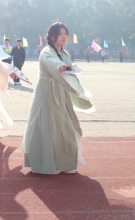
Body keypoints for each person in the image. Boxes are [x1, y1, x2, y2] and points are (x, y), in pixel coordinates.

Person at [23, 22, 94, 174]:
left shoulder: (65, 53)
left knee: (65, 125)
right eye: (60, 34)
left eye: (65, 33)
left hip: (61, 91)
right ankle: (47, 163)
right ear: (52, 37)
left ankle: (65, 162)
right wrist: (60, 66)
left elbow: (69, 72)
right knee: (47, 125)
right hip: (47, 92)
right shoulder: (47, 51)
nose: (63, 37)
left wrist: (77, 87)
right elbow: (52, 62)